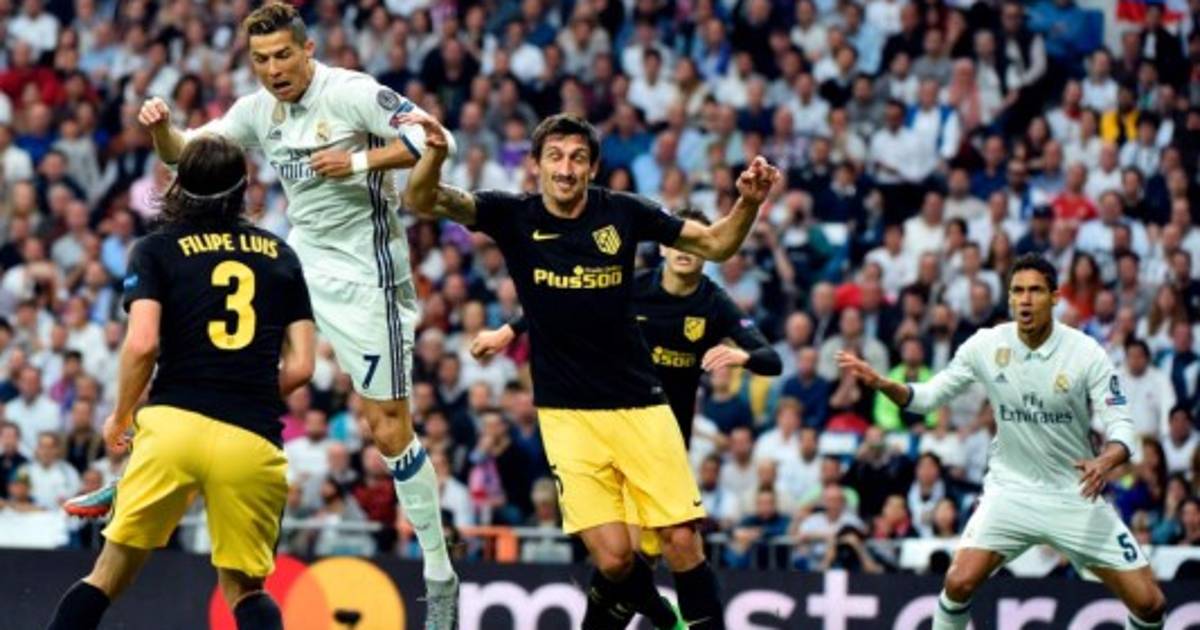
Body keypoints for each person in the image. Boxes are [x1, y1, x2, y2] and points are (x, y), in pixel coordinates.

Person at [134, 2, 460, 620]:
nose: (273, 69)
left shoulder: (352, 93)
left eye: (283, 55)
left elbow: (436, 137)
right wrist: (161, 130)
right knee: (216, 340)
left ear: (308, 50)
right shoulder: (257, 110)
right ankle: (149, 448)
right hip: (300, 258)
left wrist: (357, 161)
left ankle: (439, 572)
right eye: (261, 59)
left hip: (367, 274)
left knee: (388, 428)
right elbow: (187, 156)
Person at [400, 110, 780, 629]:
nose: (566, 168)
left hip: (640, 403)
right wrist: (436, 155)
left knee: (680, 539)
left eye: (578, 158)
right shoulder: (511, 214)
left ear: (593, 167)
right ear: (535, 165)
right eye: (555, 156)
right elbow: (423, 199)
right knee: (615, 560)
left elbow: (716, 243)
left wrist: (749, 203)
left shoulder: (623, 212)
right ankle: (662, 616)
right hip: (566, 413)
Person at [45, 134, 316, 630]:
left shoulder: (156, 249)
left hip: (173, 427)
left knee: (107, 575)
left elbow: (142, 343)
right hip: (251, 436)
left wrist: (120, 416)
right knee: (246, 590)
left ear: (177, 184)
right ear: (244, 186)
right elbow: (302, 367)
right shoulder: (282, 255)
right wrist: (247, 389)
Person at [838, 254, 1167, 630]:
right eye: (1017, 291)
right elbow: (928, 397)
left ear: (1054, 298)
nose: (1025, 300)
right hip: (1011, 491)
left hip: (1073, 493)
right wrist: (884, 384)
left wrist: (1105, 461)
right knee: (958, 582)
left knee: (1150, 604)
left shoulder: (1086, 352)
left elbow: (1122, 425)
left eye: (1035, 291)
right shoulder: (986, 345)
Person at [472, 206, 783, 560]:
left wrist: (743, 357)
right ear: (663, 246)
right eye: (678, 243)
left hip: (667, 440)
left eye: (694, 244)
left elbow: (772, 360)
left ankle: (629, 595)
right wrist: (507, 331)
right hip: (615, 424)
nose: (684, 251)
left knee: (649, 552)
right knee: (621, 550)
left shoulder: (716, 304)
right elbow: (564, 301)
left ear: (707, 250)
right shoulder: (632, 287)